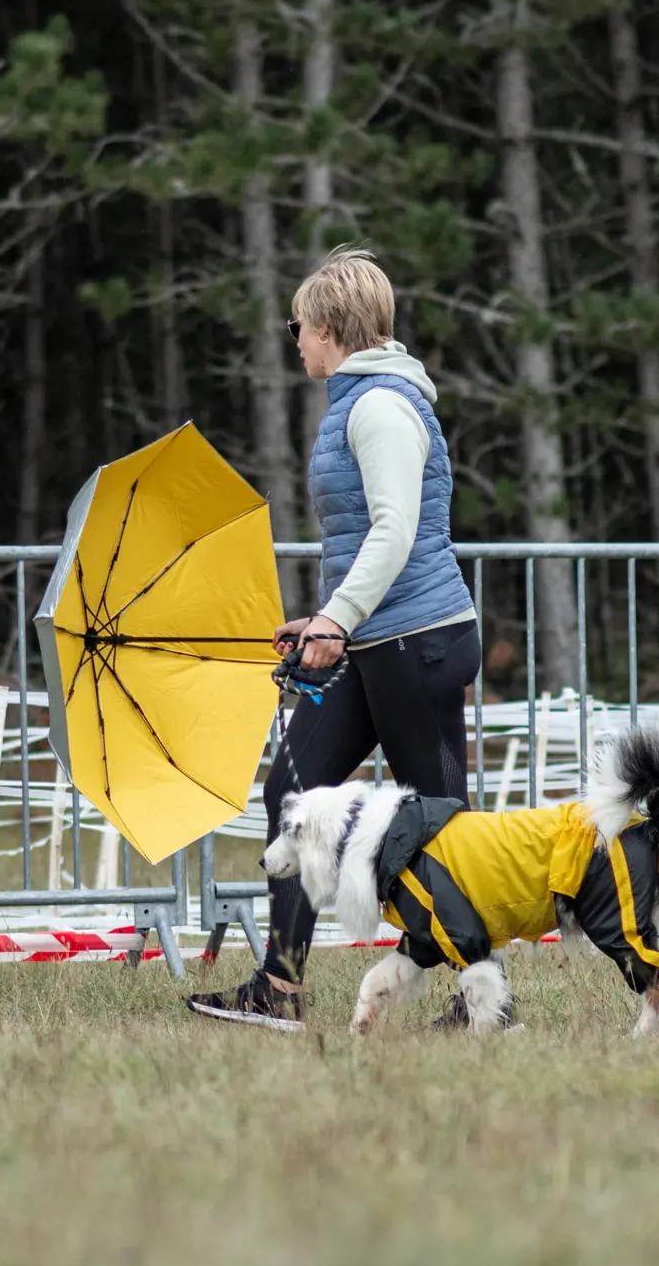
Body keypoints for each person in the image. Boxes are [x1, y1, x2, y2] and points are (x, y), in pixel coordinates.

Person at [187, 246, 482, 1032]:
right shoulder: (360, 401)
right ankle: (278, 988)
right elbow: (369, 540)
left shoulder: (381, 406)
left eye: (297, 325)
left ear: (328, 326)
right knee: (294, 790)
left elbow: (395, 531)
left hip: (415, 641)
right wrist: (328, 618)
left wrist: (335, 619)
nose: (294, 340)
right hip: (375, 641)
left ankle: (489, 1000)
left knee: (440, 827)